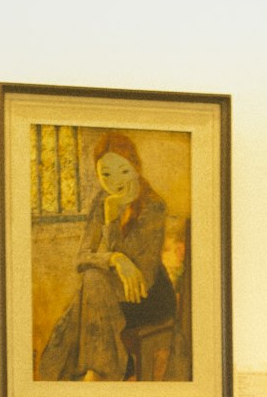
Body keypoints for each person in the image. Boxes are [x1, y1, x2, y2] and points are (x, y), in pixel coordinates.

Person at [37, 131, 176, 383]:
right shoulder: (102, 200)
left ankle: (103, 371)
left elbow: (140, 274)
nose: (115, 181)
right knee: (92, 278)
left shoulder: (154, 206)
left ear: (136, 166)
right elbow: (81, 257)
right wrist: (114, 259)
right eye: (106, 174)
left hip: (149, 296)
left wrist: (112, 223)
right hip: (112, 291)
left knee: (92, 284)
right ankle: (109, 368)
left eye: (123, 171)